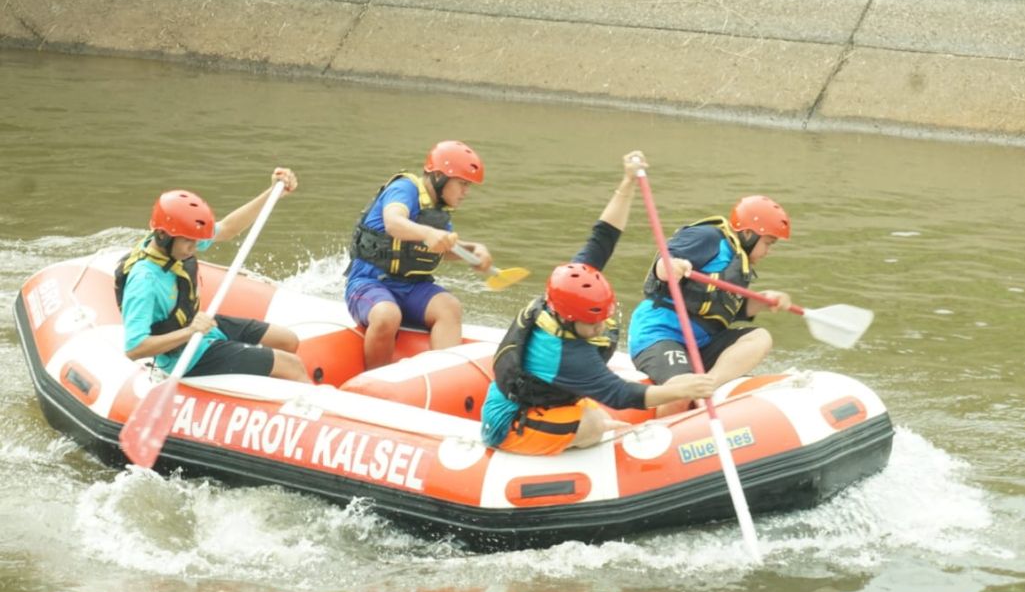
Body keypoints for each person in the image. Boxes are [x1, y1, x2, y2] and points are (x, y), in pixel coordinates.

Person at [481, 151, 716, 455]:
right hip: (506, 424)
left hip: (539, 399)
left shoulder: (568, 287)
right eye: (591, 323)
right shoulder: (564, 354)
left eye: (602, 318)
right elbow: (619, 394)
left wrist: (628, 181)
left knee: (599, 419)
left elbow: (603, 236)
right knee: (594, 427)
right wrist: (682, 389)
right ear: (566, 319)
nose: (600, 326)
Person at [115, 168, 310, 382]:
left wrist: (271, 193)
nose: (195, 247)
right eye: (189, 241)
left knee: (288, 341)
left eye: (196, 241)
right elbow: (134, 348)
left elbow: (227, 228)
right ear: (163, 236)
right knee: (292, 365)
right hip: (184, 355)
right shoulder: (144, 281)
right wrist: (190, 332)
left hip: (200, 327)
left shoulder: (177, 242)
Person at [627, 194, 793, 416]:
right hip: (660, 335)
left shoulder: (738, 261)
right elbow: (663, 264)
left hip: (702, 342)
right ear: (748, 234)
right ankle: (659, 432)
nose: (768, 252)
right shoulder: (708, 237)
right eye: (768, 244)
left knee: (760, 337)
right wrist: (671, 266)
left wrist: (765, 301)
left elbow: (733, 311)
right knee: (681, 392)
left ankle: (708, 386)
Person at [344, 140, 494, 369]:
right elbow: (393, 222)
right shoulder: (404, 189)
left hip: (413, 286)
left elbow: (443, 248)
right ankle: (374, 381)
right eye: (462, 183)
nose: (466, 192)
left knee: (450, 307)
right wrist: (428, 233)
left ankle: (443, 379)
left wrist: (472, 252)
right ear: (440, 177)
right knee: (387, 315)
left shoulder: (438, 211)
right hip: (369, 281)